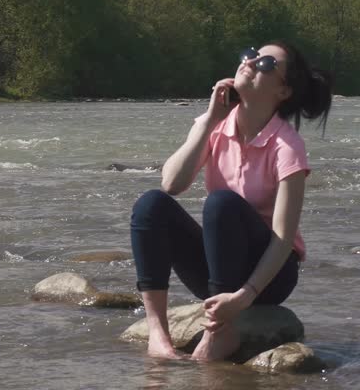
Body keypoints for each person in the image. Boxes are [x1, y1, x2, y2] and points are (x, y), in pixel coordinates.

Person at [129, 41, 333, 361]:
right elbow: (171, 183)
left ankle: (221, 332)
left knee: (222, 203)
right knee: (150, 205)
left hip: (271, 276)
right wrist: (210, 120)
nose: (249, 63)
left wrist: (244, 296)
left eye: (265, 64)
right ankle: (159, 333)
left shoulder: (287, 146)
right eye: (249, 56)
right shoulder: (215, 124)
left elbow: (282, 240)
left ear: (283, 91)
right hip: (218, 268)